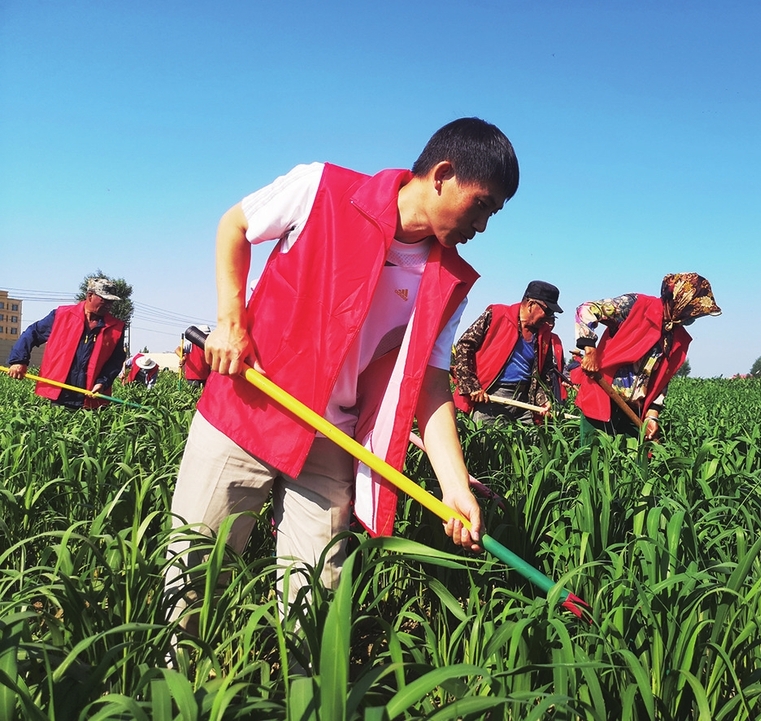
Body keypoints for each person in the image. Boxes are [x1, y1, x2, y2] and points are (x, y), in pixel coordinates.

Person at [165, 118, 519, 623]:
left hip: (332, 439)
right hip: (248, 412)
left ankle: (299, 699)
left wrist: (454, 484)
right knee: (194, 577)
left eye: (493, 213)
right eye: (481, 204)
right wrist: (230, 322)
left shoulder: (448, 282)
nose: (481, 226)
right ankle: (175, 695)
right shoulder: (323, 188)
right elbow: (235, 227)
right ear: (442, 175)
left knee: (315, 606)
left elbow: (431, 385)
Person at [571, 273, 721, 443]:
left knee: (633, 465)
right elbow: (587, 310)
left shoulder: (675, 337)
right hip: (601, 397)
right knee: (595, 462)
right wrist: (590, 351)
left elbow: (661, 382)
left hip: (634, 411)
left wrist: (652, 415)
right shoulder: (636, 306)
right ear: (680, 301)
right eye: (693, 312)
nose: (693, 317)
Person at [5, 278, 126, 409]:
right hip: (59, 394)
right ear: (90, 295)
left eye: (111, 302)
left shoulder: (116, 327)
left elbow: (116, 360)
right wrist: (19, 361)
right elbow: (32, 333)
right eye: (104, 301)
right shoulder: (61, 315)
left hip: (91, 399)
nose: (108, 306)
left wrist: (103, 382)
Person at [451, 280, 562, 423]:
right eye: (547, 311)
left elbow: (544, 372)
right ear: (531, 304)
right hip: (491, 396)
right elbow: (465, 345)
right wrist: (471, 385)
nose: (548, 317)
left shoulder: (543, 334)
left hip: (524, 400)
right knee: (488, 442)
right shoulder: (497, 315)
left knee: (528, 443)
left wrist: (543, 399)